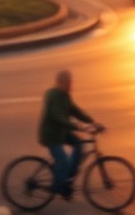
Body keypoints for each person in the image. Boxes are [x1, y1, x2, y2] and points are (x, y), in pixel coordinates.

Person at [38, 70, 98, 200]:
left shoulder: (65, 95)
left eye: (71, 82)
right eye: (69, 82)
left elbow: (75, 110)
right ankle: (57, 186)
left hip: (62, 132)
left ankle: (67, 178)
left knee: (79, 145)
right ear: (62, 83)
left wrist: (92, 121)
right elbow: (58, 117)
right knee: (64, 160)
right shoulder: (52, 96)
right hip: (51, 135)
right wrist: (77, 126)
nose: (71, 85)